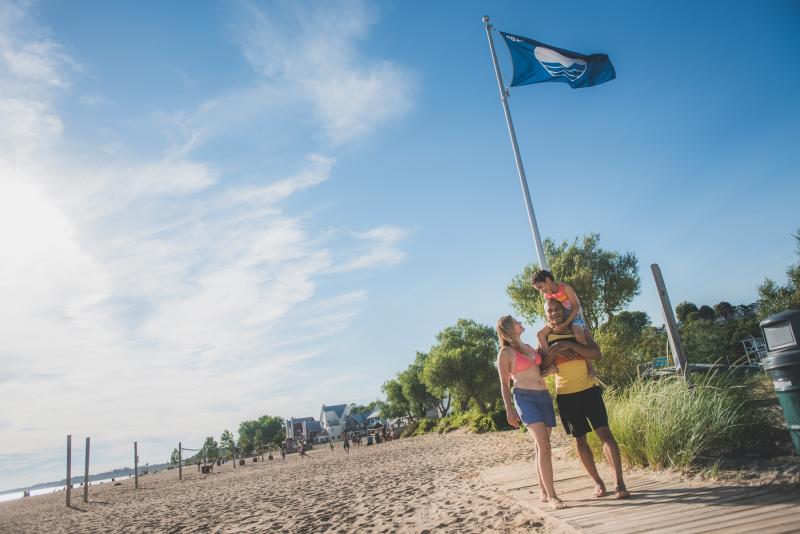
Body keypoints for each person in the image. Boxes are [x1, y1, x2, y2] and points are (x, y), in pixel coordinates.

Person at [543, 298, 630, 499]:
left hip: (589, 390)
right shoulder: (545, 337)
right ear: (546, 314)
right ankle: (598, 482)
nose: (554, 313)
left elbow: (597, 353)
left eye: (557, 309)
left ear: (563, 311)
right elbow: (543, 367)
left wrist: (566, 345)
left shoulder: (578, 329)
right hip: (566, 395)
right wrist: (555, 351)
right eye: (550, 311)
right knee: (579, 440)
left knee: (605, 433)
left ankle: (619, 483)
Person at [496, 314, 566, 509]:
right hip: (525, 398)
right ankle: (553, 496)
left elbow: (539, 370)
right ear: (510, 328)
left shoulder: (527, 347)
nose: (520, 322)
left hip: (544, 396)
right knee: (545, 447)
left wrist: (549, 369)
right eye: (516, 322)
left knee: (540, 447)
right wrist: (509, 409)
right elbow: (503, 383)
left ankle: (543, 491)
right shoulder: (505, 353)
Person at [532, 270, 589, 349]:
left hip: (575, 315)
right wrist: (550, 323)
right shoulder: (547, 295)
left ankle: (588, 356)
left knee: (577, 332)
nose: (540, 291)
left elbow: (576, 306)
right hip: (560, 317)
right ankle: (548, 355)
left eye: (540, 287)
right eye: (538, 290)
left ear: (548, 280)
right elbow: (549, 312)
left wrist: (565, 324)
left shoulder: (566, 288)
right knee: (540, 334)